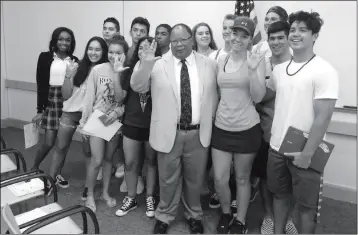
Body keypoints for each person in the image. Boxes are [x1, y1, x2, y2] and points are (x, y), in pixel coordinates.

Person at [130, 23, 218, 234]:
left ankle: (194, 215)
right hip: (169, 132)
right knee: (167, 179)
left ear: (191, 39)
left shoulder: (209, 64)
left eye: (183, 39)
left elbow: (216, 95)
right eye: (174, 40)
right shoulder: (156, 63)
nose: (179, 44)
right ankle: (164, 216)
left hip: (198, 133)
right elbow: (137, 86)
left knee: (195, 179)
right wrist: (146, 63)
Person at [266, 11, 338, 234]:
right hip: (276, 148)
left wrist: (307, 154)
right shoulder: (279, 70)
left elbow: (323, 117)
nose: (295, 34)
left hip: (305, 151)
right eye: (293, 29)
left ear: (315, 36)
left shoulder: (324, 70)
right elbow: (264, 98)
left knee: (306, 208)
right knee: (280, 196)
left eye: (303, 30)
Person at [211, 16, 266, 234]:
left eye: (244, 36)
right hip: (222, 127)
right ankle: (226, 213)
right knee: (219, 177)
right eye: (235, 34)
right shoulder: (220, 61)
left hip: (247, 129)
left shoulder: (256, 61)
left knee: (243, 178)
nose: (238, 39)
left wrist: (252, 71)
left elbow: (259, 96)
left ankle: (240, 221)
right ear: (229, 34)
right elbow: (217, 94)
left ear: (250, 39)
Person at [46, 37, 108, 197]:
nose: (93, 52)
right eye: (90, 48)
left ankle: (89, 187)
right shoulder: (77, 66)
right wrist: (68, 76)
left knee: (89, 154)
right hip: (70, 113)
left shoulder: (106, 71)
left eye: (97, 49)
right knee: (60, 148)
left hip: (90, 117)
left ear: (104, 52)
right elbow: (65, 95)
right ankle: (51, 181)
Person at [252, 21, 297, 234]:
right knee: (265, 178)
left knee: (292, 181)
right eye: (272, 38)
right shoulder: (263, 63)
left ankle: (286, 219)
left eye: (281, 37)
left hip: (294, 134)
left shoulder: (300, 64)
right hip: (266, 132)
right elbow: (257, 96)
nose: (276, 42)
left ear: (289, 39)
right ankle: (269, 216)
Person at [79, 38, 129, 212]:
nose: (114, 56)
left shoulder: (127, 72)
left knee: (109, 159)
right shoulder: (98, 70)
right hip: (97, 118)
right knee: (97, 159)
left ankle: (105, 193)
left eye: (119, 53)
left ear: (125, 54)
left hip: (115, 120)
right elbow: (89, 98)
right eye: (111, 52)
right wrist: (83, 122)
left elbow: (123, 99)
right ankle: (90, 194)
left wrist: (117, 73)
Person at [115, 36, 161, 218]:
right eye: (141, 48)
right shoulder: (129, 69)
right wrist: (117, 74)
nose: (144, 51)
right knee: (130, 163)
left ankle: (150, 197)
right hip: (132, 123)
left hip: (153, 125)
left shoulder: (160, 69)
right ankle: (131, 197)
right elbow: (120, 97)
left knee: (151, 162)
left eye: (148, 48)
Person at [31, 27, 78, 175]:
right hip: (52, 101)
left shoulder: (75, 61)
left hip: (68, 102)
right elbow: (41, 83)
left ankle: (56, 174)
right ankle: (34, 166)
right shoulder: (45, 57)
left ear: (71, 43)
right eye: (61, 39)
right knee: (49, 142)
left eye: (68, 40)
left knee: (63, 144)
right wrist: (40, 110)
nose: (64, 42)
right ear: (55, 40)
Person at [207, 13, 238, 213]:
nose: (228, 32)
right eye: (225, 27)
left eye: (232, 28)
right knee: (218, 165)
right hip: (217, 116)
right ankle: (219, 191)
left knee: (237, 164)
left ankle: (233, 196)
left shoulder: (245, 55)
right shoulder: (213, 56)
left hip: (239, 117)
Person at [120, 16, 151, 194]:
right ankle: (130, 176)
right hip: (128, 113)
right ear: (130, 31)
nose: (138, 34)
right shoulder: (126, 54)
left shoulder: (155, 61)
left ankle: (140, 179)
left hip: (148, 118)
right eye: (136, 30)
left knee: (149, 157)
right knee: (128, 155)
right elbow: (124, 90)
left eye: (143, 31)